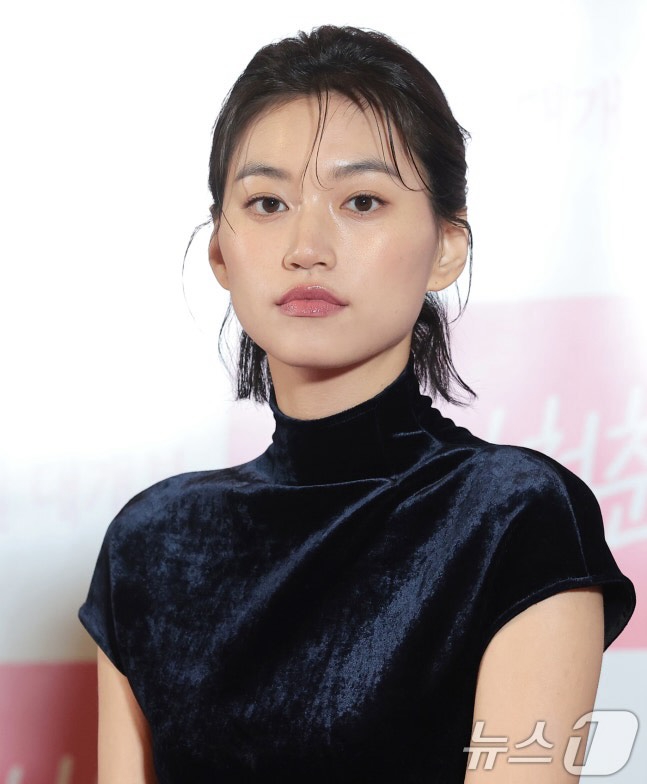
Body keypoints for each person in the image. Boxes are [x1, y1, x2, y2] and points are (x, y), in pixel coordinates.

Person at [78, 25, 636, 784]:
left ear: (446, 247)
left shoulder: (514, 519)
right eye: (268, 202)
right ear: (219, 251)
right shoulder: (150, 543)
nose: (307, 245)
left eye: (362, 200)